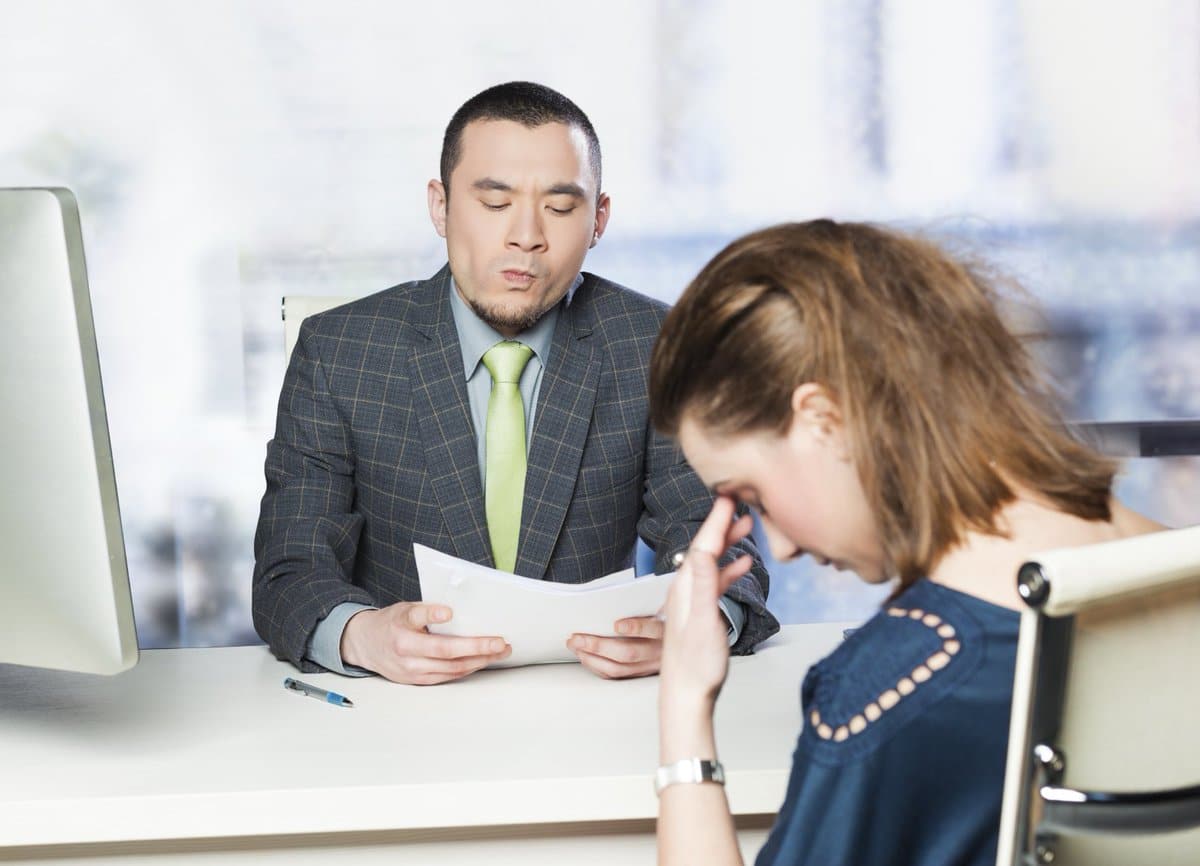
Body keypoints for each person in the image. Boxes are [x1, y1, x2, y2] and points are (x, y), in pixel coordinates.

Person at [647, 220, 1164, 864]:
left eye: (752, 495)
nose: (779, 547)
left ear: (823, 419)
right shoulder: (1172, 565)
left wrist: (684, 705)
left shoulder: (896, 684)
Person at [252, 82, 778, 686]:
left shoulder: (661, 345)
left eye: (560, 208)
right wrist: (359, 635)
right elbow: (289, 569)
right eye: (495, 202)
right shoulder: (339, 351)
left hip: (593, 697)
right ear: (440, 206)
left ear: (599, 219)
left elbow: (713, 534)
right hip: (402, 707)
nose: (526, 236)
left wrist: (695, 622)